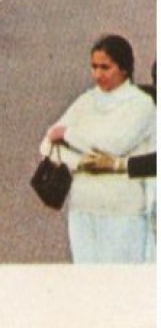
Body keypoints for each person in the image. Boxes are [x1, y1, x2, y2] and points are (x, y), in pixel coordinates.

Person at [41, 35, 155, 264]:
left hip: (123, 212)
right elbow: (46, 144)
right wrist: (81, 163)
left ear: (123, 69)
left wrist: (69, 135)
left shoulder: (141, 104)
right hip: (83, 207)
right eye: (94, 67)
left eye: (106, 67)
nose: (98, 75)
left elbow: (114, 144)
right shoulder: (86, 100)